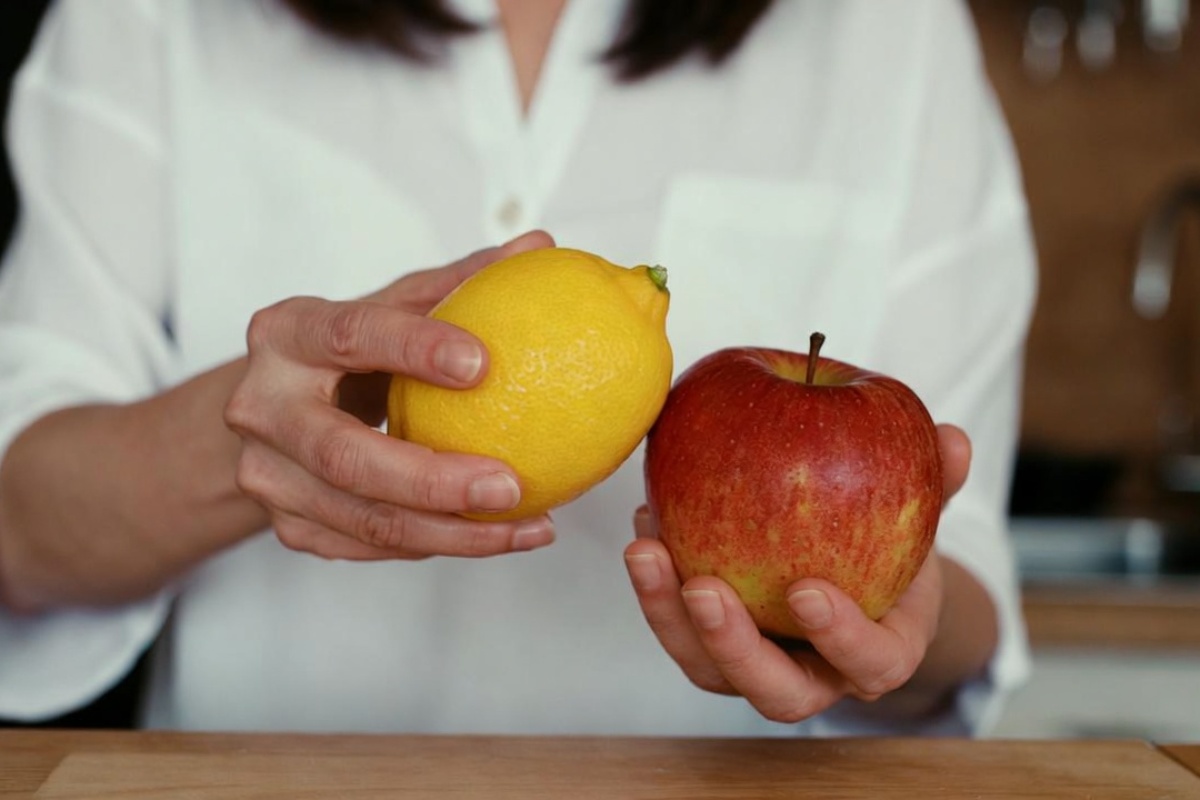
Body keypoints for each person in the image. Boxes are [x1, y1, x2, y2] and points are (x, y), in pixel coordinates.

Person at [0, 0, 1036, 736]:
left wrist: (891, 628)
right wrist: (247, 439)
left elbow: (967, 581)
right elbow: (18, 525)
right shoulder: (154, 17)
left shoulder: (888, 31)